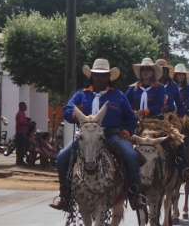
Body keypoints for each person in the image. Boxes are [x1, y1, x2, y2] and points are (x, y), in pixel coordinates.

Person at [50, 58, 146, 212]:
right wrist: (76, 116)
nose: (99, 78)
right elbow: (66, 110)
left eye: (103, 75)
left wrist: (126, 132)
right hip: (87, 136)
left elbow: (130, 118)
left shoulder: (118, 95)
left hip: (111, 133)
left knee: (131, 155)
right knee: (62, 157)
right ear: (91, 76)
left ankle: (135, 195)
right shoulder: (81, 95)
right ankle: (65, 196)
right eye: (96, 75)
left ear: (109, 77)